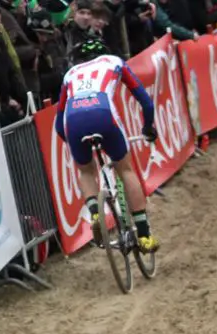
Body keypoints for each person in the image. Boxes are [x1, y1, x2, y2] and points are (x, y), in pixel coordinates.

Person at [54, 38, 159, 252]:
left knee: (85, 171)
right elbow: (146, 103)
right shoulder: (114, 61)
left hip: (73, 120)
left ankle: (94, 211)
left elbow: (58, 124)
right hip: (103, 113)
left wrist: (77, 147)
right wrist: (148, 127)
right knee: (125, 169)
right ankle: (145, 235)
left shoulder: (70, 73)